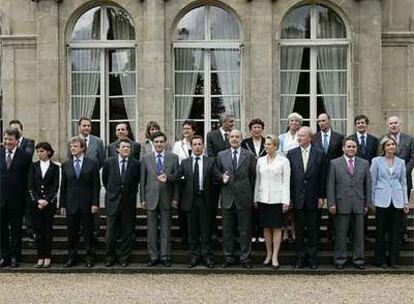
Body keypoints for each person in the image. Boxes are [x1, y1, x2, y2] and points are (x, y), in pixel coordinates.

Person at [327, 137, 371, 270]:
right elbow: (330, 185)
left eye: (353, 147)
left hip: (358, 203)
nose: (351, 149)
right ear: (343, 148)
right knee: (341, 234)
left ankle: (358, 260)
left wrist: (367, 203)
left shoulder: (364, 163)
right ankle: (340, 259)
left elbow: (367, 184)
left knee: (359, 235)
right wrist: (331, 203)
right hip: (341, 203)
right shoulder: (335, 163)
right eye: (349, 146)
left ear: (356, 148)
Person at [215, 129, 256, 269]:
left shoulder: (249, 156)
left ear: (241, 139)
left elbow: (253, 177)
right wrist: (221, 177)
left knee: (245, 230)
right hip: (227, 198)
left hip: (244, 198)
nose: (234, 139)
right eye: (232, 137)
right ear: (228, 139)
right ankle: (228, 257)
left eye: (237, 137)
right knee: (227, 231)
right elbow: (216, 173)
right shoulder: (221, 155)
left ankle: (245, 258)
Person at [287, 126, 326, 269]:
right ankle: (300, 258)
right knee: (299, 230)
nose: (299, 138)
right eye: (298, 135)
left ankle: (313, 258)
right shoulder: (291, 154)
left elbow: (323, 177)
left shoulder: (320, 154)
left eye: (302, 136)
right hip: (297, 199)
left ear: (310, 138)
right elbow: (290, 178)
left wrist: (322, 196)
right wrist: (290, 197)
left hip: (313, 198)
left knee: (313, 230)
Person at [175, 135, 216, 268]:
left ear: (203, 146)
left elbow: (217, 175)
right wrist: (167, 177)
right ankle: (194, 256)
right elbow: (176, 174)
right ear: (191, 147)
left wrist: (223, 177)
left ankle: (207, 256)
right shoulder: (185, 162)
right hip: (190, 201)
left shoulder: (210, 161)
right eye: (195, 144)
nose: (197, 147)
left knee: (206, 231)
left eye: (199, 144)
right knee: (192, 231)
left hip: (205, 200)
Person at [60, 137, 100, 268]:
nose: (72, 148)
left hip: (87, 203)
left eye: (75, 146)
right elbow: (63, 187)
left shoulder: (92, 163)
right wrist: (62, 204)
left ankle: (89, 257)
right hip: (71, 203)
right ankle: (72, 257)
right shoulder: (66, 165)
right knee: (72, 233)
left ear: (83, 148)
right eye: (71, 146)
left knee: (88, 233)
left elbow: (96, 185)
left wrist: (95, 203)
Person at [141, 131, 179, 267]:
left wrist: (175, 198)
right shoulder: (146, 158)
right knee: (151, 230)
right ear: (153, 143)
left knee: (165, 228)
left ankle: (165, 256)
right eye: (156, 142)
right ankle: (153, 256)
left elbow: (176, 180)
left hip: (167, 197)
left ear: (165, 143)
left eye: (161, 142)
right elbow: (143, 180)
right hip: (151, 197)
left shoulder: (173, 158)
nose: (158, 144)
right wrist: (143, 199)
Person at [371, 136, 410, 268]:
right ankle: (380, 260)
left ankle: (394, 260)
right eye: (388, 144)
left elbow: (404, 182)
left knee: (395, 232)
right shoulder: (376, 161)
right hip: (381, 199)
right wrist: (371, 201)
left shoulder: (401, 162)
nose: (391, 146)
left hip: (397, 199)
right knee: (381, 231)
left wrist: (406, 202)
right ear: (383, 147)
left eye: (393, 144)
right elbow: (372, 181)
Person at [102, 139, 140, 267]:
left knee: (127, 231)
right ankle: (110, 257)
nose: (125, 149)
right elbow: (105, 180)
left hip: (128, 202)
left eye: (128, 147)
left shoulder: (135, 164)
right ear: (117, 149)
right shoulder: (108, 162)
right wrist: (113, 192)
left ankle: (124, 257)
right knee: (110, 232)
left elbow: (136, 182)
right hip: (112, 201)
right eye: (123, 147)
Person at [254, 135, 290, 269]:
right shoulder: (261, 161)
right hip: (263, 198)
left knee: (276, 227)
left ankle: (275, 255)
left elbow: (286, 182)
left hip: (277, 199)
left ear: (275, 146)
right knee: (266, 227)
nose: (266, 146)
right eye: (265, 144)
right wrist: (255, 198)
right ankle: (268, 254)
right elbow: (258, 180)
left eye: (269, 144)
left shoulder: (284, 161)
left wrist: (285, 201)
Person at [0, 128, 32, 268]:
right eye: (5, 138)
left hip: (17, 200)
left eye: (10, 139)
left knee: (16, 229)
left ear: (17, 140)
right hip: (1, 199)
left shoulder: (24, 156)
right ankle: (4, 256)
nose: (7, 141)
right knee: (2, 230)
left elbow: (28, 179)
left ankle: (15, 256)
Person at [312, 113, 344, 241]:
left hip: (334, 174)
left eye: (323, 121)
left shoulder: (339, 137)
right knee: (318, 205)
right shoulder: (314, 138)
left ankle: (331, 232)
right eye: (319, 121)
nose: (321, 123)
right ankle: (317, 232)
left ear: (329, 121)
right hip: (318, 175)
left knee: (333, 203)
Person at [27, 142, 59, 268]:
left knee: (48, 231)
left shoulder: (55, 167)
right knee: (38, 231)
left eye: (41, 151)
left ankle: (47, 256)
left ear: (48, 152)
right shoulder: (33, 166)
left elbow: (55, 186)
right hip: (36, 204)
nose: (39, 154)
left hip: (49, 204)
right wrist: (37, 200)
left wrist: (47, 200)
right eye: (38, 151)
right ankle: (40, 256)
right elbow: (30, 185)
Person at [383, 116, 414, 244]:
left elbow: (413, 158)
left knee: (403, 207)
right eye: (391, 123)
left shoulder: (409, 139)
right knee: (389, 208)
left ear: (399, 124)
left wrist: (403, 171)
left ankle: (402, 233)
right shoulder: (384, 139)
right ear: (388, 125)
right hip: (387, 181)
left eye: (395, 123)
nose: (393, 125)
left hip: (404, 179)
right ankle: (388, 233)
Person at [206, 114, 235, 241]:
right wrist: (219, 174)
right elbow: (211, 156)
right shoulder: (212, 135)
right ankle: (213, 231)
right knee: (212, 206)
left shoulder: (234, 135)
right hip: (215, 176)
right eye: (230, 122)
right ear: (223, 122)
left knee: (230, 206)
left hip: (231, 177)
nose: (232, 124)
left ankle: (230, 232)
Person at [9, 119, 35, 241]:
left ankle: (29, 230)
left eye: (17, 128)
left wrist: (14, 148)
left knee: (27, 207)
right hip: (11, 182)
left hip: (25, 180)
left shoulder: (28, 142)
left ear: (21, 129)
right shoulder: (7, 144)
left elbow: (27, 156)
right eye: (12, 128)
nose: (15, 130)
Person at [278, 112, 303, 243]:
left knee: (294, 205)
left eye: (296, 121)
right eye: (291, 121)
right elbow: (279, 153)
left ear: (300, 124)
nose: (293, 123)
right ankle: (285, 232)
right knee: (285, 204)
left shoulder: (301, 137)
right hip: (284, 172)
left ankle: (294, 230)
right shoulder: (282, 137)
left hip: (297, 173)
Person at [241, 118, 266, 243]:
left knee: (261, 206)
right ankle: (251, 233)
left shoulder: (267, 142)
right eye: (254, 128)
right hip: (249, 177)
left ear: (262, 129)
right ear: (250, 130)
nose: (256, 130)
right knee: (250, 206)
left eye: (259, 127)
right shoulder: (244, 143)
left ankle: (261, 232)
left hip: (264, 177)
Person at [173, 120, 197, 244]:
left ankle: (194, 235)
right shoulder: (178, 145)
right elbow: (175, 162)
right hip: (182, 182)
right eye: (184, 129)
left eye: (188, 129)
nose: (186, 131)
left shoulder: (198, 143)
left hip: (196, 181)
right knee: (183, 209)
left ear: (193, 130)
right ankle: (184, 234)